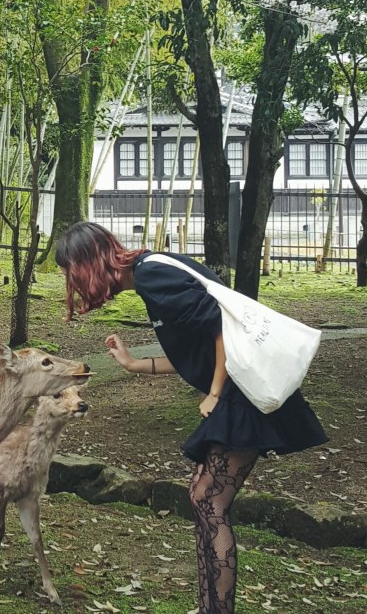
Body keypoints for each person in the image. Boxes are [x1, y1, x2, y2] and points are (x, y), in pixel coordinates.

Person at [55, 221, 327, 614]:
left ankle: (217, 610)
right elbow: (193, 353)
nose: (71, 280)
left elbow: (220, 325)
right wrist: (134, 364)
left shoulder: (152, 275)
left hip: (239, 390)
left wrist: (214, 391)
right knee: (202, 497)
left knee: (209, 501)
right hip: (235, 386)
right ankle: (208, 607)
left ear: (89, 263)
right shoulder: (150, 276)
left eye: (70, 270)